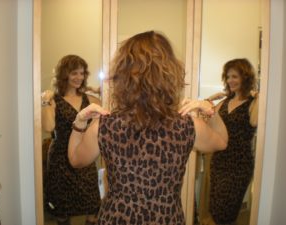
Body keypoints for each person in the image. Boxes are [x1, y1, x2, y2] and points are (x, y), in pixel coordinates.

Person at [67, 31, 228, 225]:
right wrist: (211, 112)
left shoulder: (104, 125)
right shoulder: (188, 125)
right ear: (170, 73)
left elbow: (75, 159)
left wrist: (79, 123)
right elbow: (222, 142)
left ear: (123, 74)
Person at [196, 58, 259, 225]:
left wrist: (259, 96)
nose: (230, 80)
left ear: (245, 78)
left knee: (227, 212)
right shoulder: (224, 103)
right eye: (228, 76)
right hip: (218, 162)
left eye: (235, 77)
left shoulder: (253, 104)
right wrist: (210, 100)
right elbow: (203, 121)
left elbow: (254, 121)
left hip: (239, 165)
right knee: (216, 208)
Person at [41, 55, 101, 225]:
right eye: (74, 73)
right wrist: (46, 100)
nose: (79, 77)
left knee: (92, 206)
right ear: (64, 74)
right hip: (60, 159)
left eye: (82, 73)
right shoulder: (55, 100)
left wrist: (99, 91)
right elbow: (48, 127)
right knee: (63, 209)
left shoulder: (89, 99)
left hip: (84, 154)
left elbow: (111, 108)